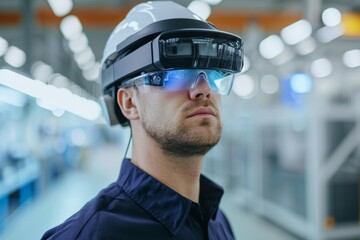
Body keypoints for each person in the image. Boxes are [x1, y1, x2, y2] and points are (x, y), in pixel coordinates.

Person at [41, 1, 244, 239]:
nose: (204, 89)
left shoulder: (217, 222)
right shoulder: (90, 235)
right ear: (129, 103)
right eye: (176, 75)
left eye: (214, 74)